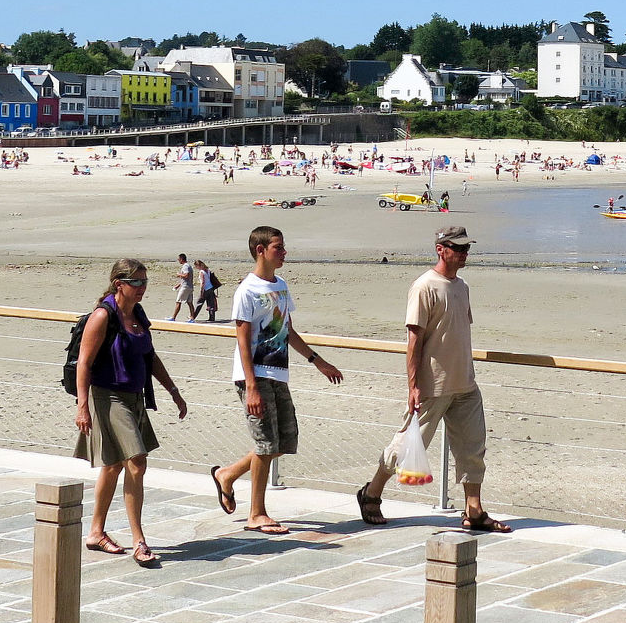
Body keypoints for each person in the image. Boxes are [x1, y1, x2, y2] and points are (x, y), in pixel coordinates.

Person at [355, 226, 509, 534]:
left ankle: (474, 510)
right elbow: (415, 338)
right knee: (405, 446)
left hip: (465, 382)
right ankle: (371, 493)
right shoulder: (425, 286)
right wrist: (413, 384)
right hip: (432, 385)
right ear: (441, 249)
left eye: (467, 248)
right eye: (458, 248)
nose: (464, 253)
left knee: (472, 448)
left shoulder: (462, 286)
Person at [210, 226, 342, 533]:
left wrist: (316, 360)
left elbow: (287, 330)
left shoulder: (280, 285)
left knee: (282, 442)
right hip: (254, 376)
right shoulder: (247, 290)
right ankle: (257, 513)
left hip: (278, 372)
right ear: (261, 250)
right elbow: (242, 339)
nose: (284, 252)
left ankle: (227, 475)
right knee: (266, 444)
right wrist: (251, 385)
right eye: (278, 248)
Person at [74, 259, 188, 566]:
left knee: (112, 465)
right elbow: (84, 363)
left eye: (145, 282)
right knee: (136, 462)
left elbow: (149, 356)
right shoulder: (103, 315)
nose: (142, 288)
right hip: (107, 397)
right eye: (136, 282)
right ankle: (140, 540)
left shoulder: (137, 314)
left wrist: (174, 391)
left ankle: (96, 532)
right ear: (118, 284)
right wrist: (82, 407)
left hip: (135, 397)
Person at [171, 253, 199, 321]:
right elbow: (186, 278)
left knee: (178, 301)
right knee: (190, 303)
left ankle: (173, 318)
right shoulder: (188, 266)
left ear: (181, 259)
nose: (178, 261)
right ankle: (192, 318)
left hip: (185, 287)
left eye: (178, 259)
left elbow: (186, 275)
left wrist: (179, 274)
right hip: (189, 286)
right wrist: (178, 286)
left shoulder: (186, 266)